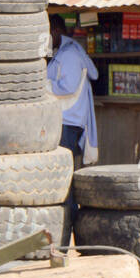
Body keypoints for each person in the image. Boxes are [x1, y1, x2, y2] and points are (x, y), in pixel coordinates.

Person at [48, 14, 99, 168]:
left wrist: (44, 85)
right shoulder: (63, 52)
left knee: (62, 169)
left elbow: (68, 87)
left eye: (47, 33)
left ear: (56, 31)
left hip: (67, 121)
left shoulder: (70, 55)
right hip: (66, 120)